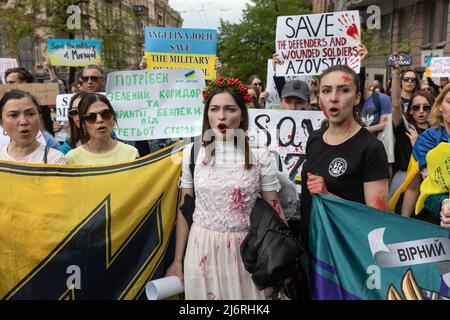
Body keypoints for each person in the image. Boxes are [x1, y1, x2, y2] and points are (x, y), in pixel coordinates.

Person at [165, 77, 286, 300]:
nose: (222, 116)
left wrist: (283, 259)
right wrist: (178, 260)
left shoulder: (260, 154)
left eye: (230, 109)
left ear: (242, 115)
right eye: (215, 109)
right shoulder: (192, 153)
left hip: (248, 253)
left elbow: (274, 207)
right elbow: (184, 211)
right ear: (207, 114)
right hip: (201, 250)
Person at [299, 65, 390, 249]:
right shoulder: (315, 138)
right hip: (311, 246)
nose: (333, 98)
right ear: (319, 97)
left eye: (343, 90)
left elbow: (376, 218)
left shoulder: (371, 148)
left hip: (343, 254)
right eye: (326, 91)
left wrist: (329, 196)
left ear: (357, 97)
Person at [389, 83, 450, 218]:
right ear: (440, 106)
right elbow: (414, 186)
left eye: (425, 107)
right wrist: (404, 222)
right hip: (434, 216)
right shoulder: (426, 141)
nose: (421, 111)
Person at [389, 64, 434, 203]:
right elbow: (396, 105)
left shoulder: (437, 131)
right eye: (416, 107)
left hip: (429, 179)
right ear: (410, 110)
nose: (421, 111)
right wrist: (396, 76)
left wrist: (418, 143)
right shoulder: (404, 126)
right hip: (403, 178)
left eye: (426, 107)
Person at [65, 93, 139, 165]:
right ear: (83, 124)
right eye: (90, 117)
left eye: (105, 114)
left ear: (113, 118)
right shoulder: (72, 158)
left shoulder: (131, 153)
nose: (99, 120)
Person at [0, 89, 66, 164]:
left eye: (30, 114)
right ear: (1, 122)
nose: (23, 121)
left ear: (39, 117)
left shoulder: (55, 159)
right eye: (13, 115)